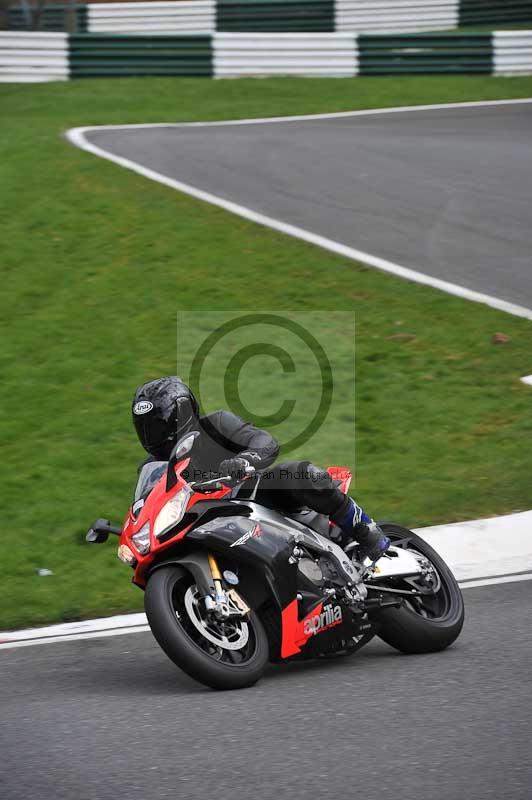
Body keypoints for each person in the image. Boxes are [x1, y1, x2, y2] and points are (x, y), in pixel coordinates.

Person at [132, 376, 390, 562]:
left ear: (182, 413)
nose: (152, 434)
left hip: (254, 497)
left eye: (158, 424)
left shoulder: (216, 425)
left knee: (300, 474)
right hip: (204, 524)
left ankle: (366, 531)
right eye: (145, 427)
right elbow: (151, 504)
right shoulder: (151, 467)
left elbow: (265, 443)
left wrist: (244, 462)